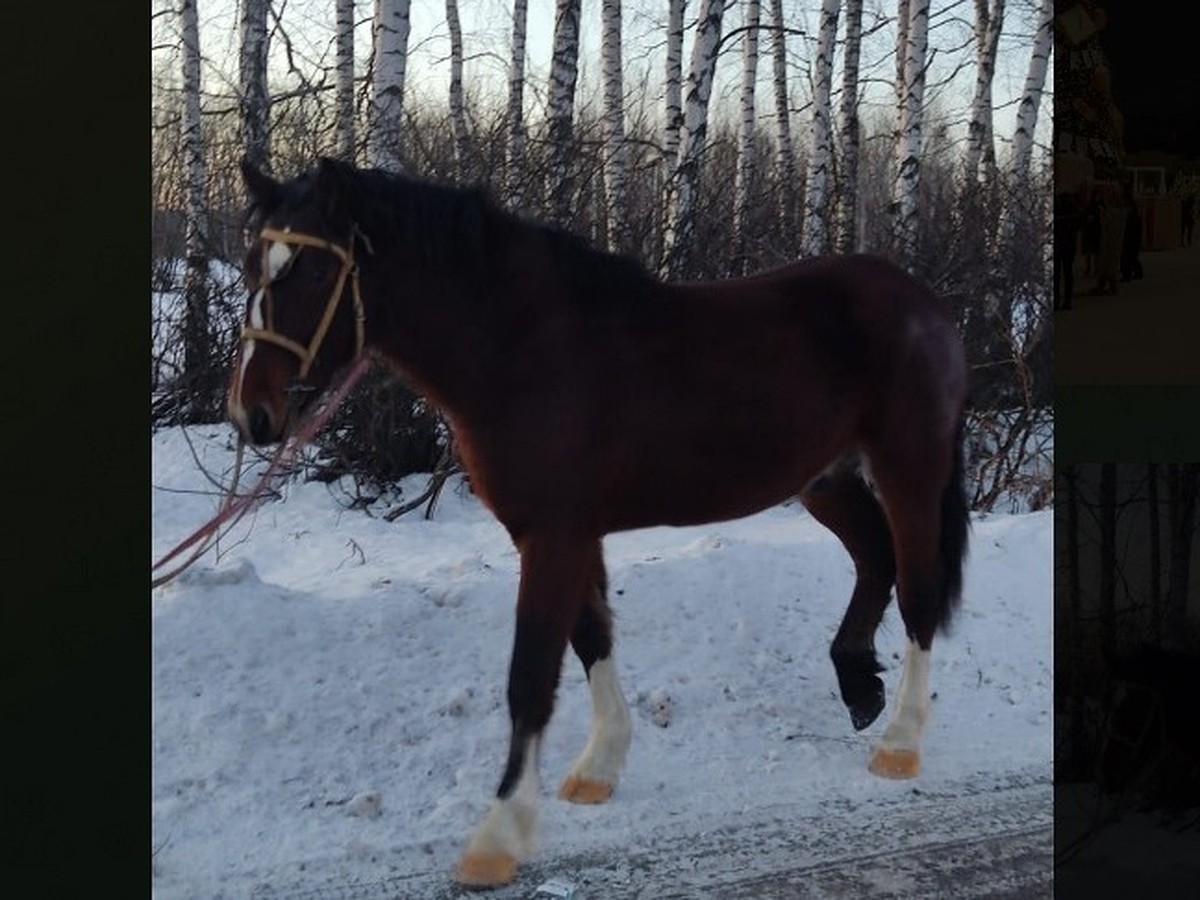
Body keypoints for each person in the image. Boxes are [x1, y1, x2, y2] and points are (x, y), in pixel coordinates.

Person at [1092, 183, 1125, 296]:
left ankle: (1107, 286)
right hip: (1114, 240)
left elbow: (1105, 222)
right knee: (1111, 263)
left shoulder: (1111, 211)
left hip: (1109, 240)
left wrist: (1102, 213)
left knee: (1107, 263)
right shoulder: (1120, 210)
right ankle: (1108, 285)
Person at [1055, 189, 1082, 310]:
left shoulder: (1057, 208)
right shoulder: (1074, 210)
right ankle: (1067, 301)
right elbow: (1080, 225)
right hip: (1069, 243)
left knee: (1057, 274)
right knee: (1068, 273)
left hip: (1058, 242)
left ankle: (1056, 301)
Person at [1120, 183, 1143, 281]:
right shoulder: (1134, 211)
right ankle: (1135, 272)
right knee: (1132, 256)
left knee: (1128, 257)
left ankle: (1127, 274)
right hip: (1133, 237)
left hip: (1130, 237)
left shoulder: (1131, 212)